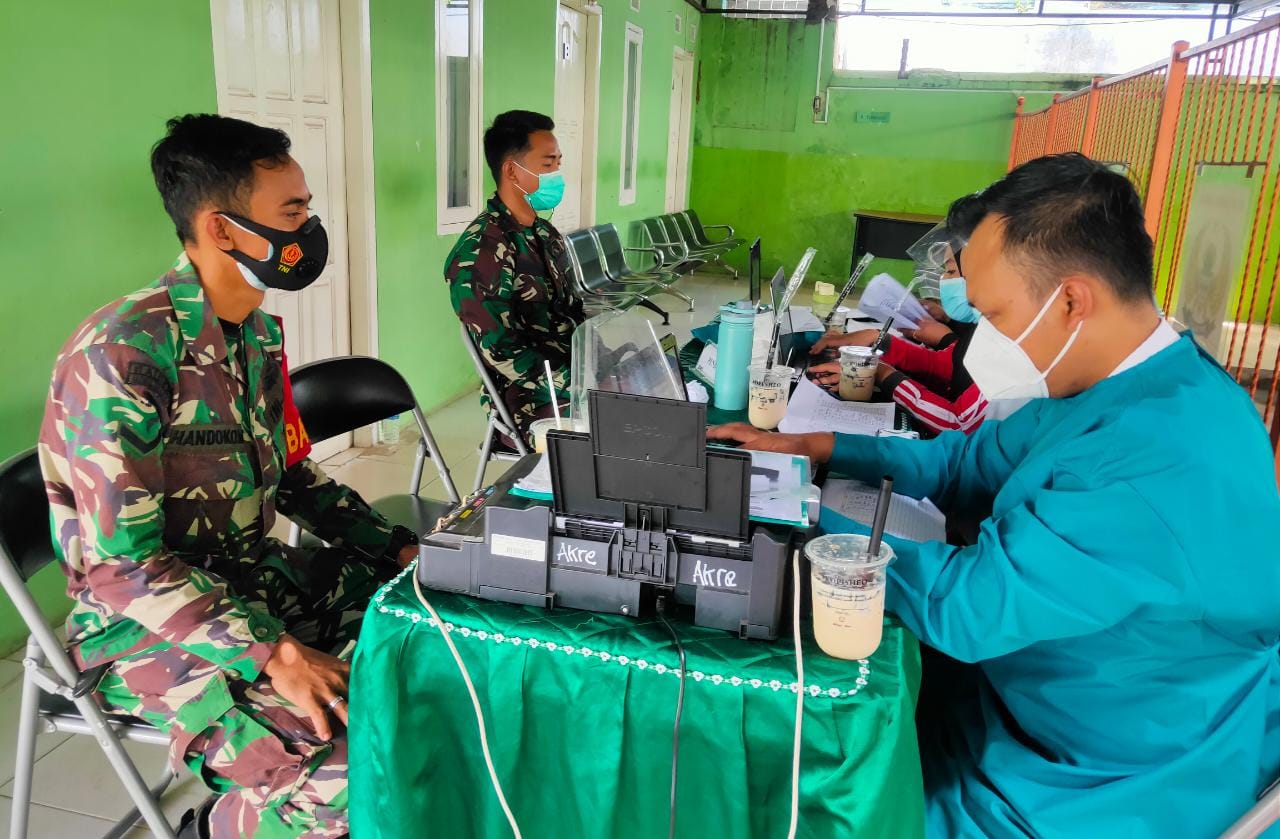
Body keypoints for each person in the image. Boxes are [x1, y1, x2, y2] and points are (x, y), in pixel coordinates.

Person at [709, 153, 1280, 837]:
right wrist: (812, 450)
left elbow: (966, 607)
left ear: (1071, 299)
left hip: (1095, 778)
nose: (976, 339)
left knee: (809, 793)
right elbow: (965, 461)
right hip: (1030, 700)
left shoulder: (1156, 462)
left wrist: (788, 518)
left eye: (993, 313)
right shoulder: (1119, 384)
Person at [38, 114, 420, 839]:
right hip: (142, 629)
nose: (309, 228)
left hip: (251, 577)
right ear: (222, 229)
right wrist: (271, 652)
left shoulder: (256, 335)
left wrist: (401, 551)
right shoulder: (124, 355)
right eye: (293, 212)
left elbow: (296, 480)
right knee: (350, 774)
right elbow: (121, 568)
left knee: (434, 629)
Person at [444, 110, 585, 446]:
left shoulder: (544, 233)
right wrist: (576, 384)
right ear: (511, 171)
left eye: (558, 164)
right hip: (527, 399)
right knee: (620, 430)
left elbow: (572, 311)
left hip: (572, 377)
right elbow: (501, 350)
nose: (557, 174)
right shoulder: (482, 249)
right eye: (548, 164)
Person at [809, 195, 989, 434]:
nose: (943, 280)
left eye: (950, 271)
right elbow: (952, 365)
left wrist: (882, 374)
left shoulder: (1015, 343)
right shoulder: (986, 325)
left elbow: (957, 424)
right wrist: (879, 342)